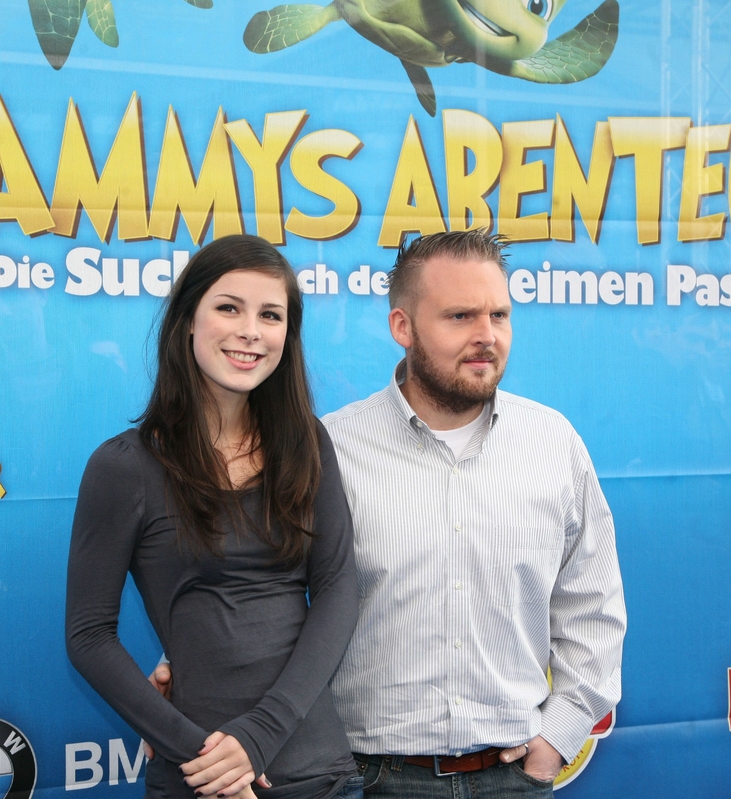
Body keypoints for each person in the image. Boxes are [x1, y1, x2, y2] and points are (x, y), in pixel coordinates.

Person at [156, 229, 625, 797]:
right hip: (364, 777)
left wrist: (554, 744)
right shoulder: (328, 448)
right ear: (402, 327)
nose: (486, 337)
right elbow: (252, 580)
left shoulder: (554, 444)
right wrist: (192, 658)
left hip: (514, 777)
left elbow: (592, 609)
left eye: (499, 315)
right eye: (459, 317)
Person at [66, 234, 362, 799]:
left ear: (286, 337)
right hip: (198, 780)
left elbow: (337, 588)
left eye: (270, 315)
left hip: (322, 776)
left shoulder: (306, 443)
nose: (251, 329)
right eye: (229, 307)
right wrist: (208, 762)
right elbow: (89, 637)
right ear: (187, 322)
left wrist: (257, 736)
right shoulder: (123, 467)